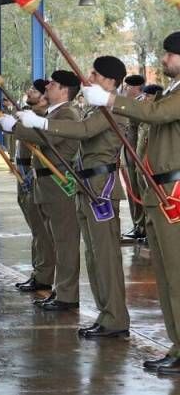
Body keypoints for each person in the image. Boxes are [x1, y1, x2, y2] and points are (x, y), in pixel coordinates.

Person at [81, 32, 180, 372]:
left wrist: (111, 99)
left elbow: (157, 113)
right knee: (167, 278)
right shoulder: (170, 92)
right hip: (158, 193)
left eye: (169, 55)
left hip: (174, 195)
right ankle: (177, 345)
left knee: (178, 276)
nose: (164, 60)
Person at [16, 57, 130, 338]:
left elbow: (84, 131)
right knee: (94, 257)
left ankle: (115, 318)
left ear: (109, 80)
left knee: (105, 258)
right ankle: (107, 315)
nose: (89, 78)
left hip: (101, 187)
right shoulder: (97, 108)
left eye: (95, 74)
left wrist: (42, 124)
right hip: (86, 184)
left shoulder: (114, 109)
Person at [0, 70, 82, 311]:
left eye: (53, 85)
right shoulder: (53, 112)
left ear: (65, 90)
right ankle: (58, 288)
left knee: (65, 241)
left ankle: (67, 294)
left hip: (59, 184)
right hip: (44, 183)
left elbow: (45, 137)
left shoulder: (68, 114)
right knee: (49, 237)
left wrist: (11, 125)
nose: (48, 88)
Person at [6, 80, 55, 293]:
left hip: (34, 175)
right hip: (23, 173)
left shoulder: (44, 119)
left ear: (45, 97)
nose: (29, 92)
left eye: (35, 91)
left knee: (42, 230)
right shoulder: (28, 114)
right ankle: (38, 272)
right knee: (36, 229)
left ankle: (44, 275)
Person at [121, 74, 147, 240]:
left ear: (136, 88)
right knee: (132, 191)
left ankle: (142, 226)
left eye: (127, 87)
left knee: (138, 190)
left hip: (136, 153)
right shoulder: (130, 103)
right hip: (128, 152)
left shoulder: (142, 103)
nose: (125, 90)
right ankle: (137, 224)